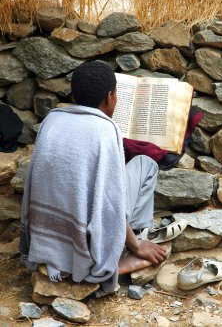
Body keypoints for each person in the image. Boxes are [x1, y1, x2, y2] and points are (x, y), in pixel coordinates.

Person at [20, 61, 167, 293]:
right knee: (145, 164)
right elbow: (111, 203)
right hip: (85, 246)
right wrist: (136, 246)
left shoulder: (52, 119)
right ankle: (126, 247)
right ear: (110, 97)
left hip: (46, 241)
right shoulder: (105, 130)